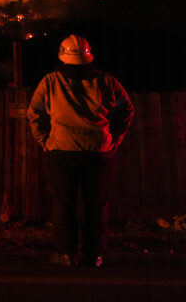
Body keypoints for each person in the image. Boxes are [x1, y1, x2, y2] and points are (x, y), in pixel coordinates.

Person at [27, 34, 135, 267]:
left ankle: (66, 254)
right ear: (88, 57)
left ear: (63, 57)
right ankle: (94, 255)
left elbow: (34, 112)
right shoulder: (106, 81)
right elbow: (126, 109)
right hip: (98, 152)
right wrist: (114, 139)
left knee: (63, 204)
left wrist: (44, 140)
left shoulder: (50, 81)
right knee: (96, 205)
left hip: (62, 151)